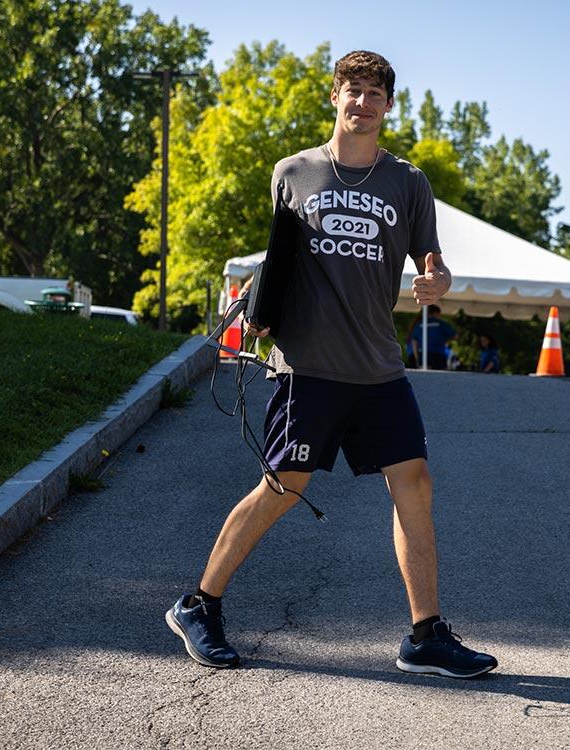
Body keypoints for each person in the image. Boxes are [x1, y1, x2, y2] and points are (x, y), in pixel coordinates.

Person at [165, 50, 498, 679]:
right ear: (334, 97)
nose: (363, 103)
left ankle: (425, 634)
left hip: (378, 367)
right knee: (285, 488)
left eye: (375, 93)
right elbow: (280, 258)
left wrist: (437, 281)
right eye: (353, 90)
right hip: (308, 367)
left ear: (388, 106)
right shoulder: (294, 173)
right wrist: (260, 315)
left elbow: (434, 262)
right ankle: (197, 605)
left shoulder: (409, 182)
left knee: (415, 483)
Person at [410, 304, 457, 370]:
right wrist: (445, 340)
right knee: (438, 377)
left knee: (424, 377)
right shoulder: (442, 324)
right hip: (438, 355)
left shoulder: (418, 325)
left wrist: (417, 358)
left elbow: (414, 343)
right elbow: (455, 336)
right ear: (436, 313)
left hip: (423, 355)